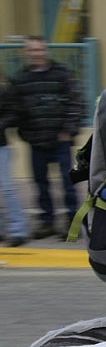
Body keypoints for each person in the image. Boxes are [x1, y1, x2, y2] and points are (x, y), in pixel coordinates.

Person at [9, 36, 82, 239]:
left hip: (61, 140)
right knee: (40, 185)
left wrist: (68, 130)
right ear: (27, 53)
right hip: (36, 141)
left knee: (68, 184)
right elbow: (15, 109)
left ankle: (71, 223)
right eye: (32, 50)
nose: (36, 54)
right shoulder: (20, 79)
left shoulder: (62, 74)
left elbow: (76, 101)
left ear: (46, 50)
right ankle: (47, 222)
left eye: (39, 49)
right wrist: (25, 133)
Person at [0, 76, 28, 246]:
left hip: (0, 146)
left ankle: (19, 230)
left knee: (7, 188)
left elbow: (13, 113)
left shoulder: (4, 89)